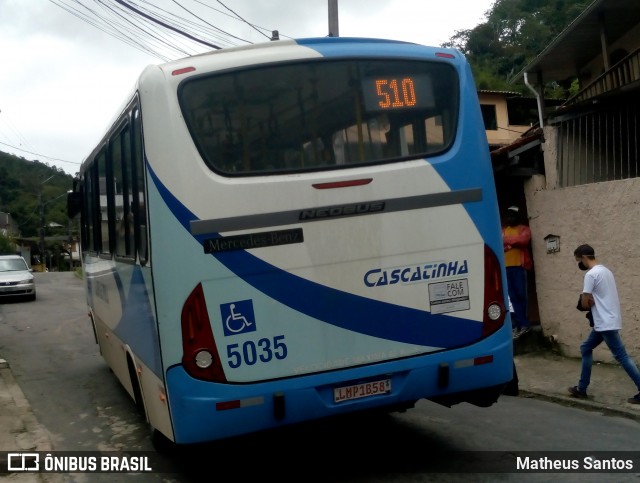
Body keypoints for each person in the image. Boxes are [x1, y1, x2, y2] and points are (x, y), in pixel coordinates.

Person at [568, 244, 640, 404]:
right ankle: (581, 389)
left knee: (622, 356)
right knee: (585, 348)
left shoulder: (591, 275)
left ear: (584, 257)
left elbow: (585, 303)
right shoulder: (606, 271)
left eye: (579, 260)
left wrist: (585, 300)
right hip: (607, 320)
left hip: (604, 322)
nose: (579, 264)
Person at [502, 205, 533, 338]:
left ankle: (524, 325)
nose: (510, 218)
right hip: (505, 269)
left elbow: (523, 240)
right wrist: (513, 243)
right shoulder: (502, 230)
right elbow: (500, 242)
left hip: (519, 267)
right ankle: (518, 325)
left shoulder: (524, 229)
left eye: (513, 216)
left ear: (517, 217)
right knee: (511, 299)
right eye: (508, 216)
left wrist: (508, 243)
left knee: (521, 296)